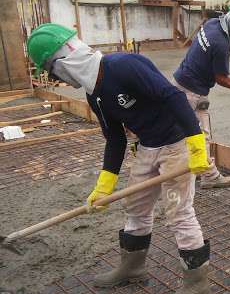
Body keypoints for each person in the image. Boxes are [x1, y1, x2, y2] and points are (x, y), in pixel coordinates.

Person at [26, 23, 212, 293]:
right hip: (148, 146)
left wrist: (196, 143)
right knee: (135, 207)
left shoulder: (124, 65)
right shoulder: (94, 95)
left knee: (179, 213)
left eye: (54, 72)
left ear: (63, 61)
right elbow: (115, 138)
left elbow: (173, 96)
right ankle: (132, 267)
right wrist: (105, 183)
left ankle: (197, 285)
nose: (59, 81)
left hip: (177, 143)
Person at [173, 2, 230, 189]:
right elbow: (222, 78)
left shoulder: (212, 23)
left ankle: (195, 168)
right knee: (201, 135)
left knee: (181, 132)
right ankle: (209, 176)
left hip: (179, 82)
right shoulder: (220, 44)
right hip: (192, 91)